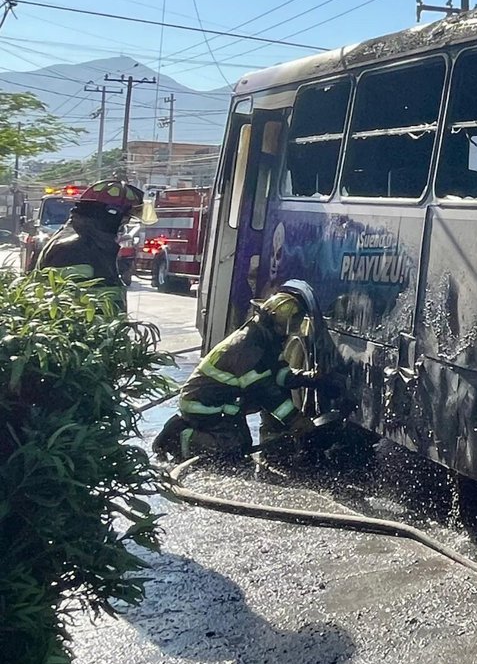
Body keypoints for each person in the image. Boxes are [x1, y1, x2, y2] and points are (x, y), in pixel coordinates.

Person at [153, 279, 332, 462]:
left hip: (226, 400)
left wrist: (311, 378)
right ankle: (179, 438)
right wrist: (295, 420)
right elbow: (264, 392)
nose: (292, 331)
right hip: (203, 405)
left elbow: (280, 374)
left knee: (244, 444)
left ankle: (273, 448)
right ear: (280, 322)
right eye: (292, 325)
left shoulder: (265, 338)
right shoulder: (249, 347)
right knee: (232, 449)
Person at [32, 179, 144, 314]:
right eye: (123, 222)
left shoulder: (87, 240)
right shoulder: (74, 249)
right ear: (108, 217)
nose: (121, 229)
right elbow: (69, 310)